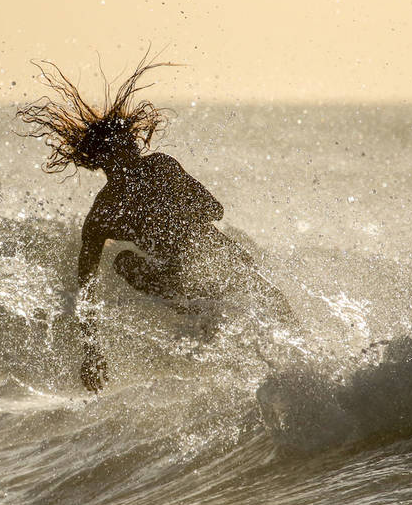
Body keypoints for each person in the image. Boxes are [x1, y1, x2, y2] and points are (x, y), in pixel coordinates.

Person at [18, 54, 292, 392]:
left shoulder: (152, 175)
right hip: (184, 280)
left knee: (278, 311)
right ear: (103, 159)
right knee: (125, 262)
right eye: (123, 148)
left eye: (130, 145)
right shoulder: (108, 210)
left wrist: (176, 212)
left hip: (218, 261)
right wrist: (91, 352)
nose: (131, 152)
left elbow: (214, 210)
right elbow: (85, 289)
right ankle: (199, 317)